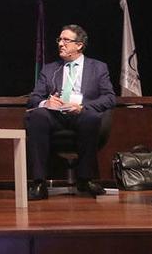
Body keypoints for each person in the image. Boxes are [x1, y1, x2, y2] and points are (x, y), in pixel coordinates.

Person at [25, 25, 115, 200]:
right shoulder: (50, 69)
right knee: (37, 116)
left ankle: (85, 179)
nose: (60, 44)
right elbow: (34, 97)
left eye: (66, 40)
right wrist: (46, 102)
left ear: (79, 45)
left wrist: (83, 107)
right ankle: (39, 182)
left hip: (81, 113)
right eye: (59, 40)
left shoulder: (98, 67)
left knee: (91, 118)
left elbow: (109, 98)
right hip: (55, 115)